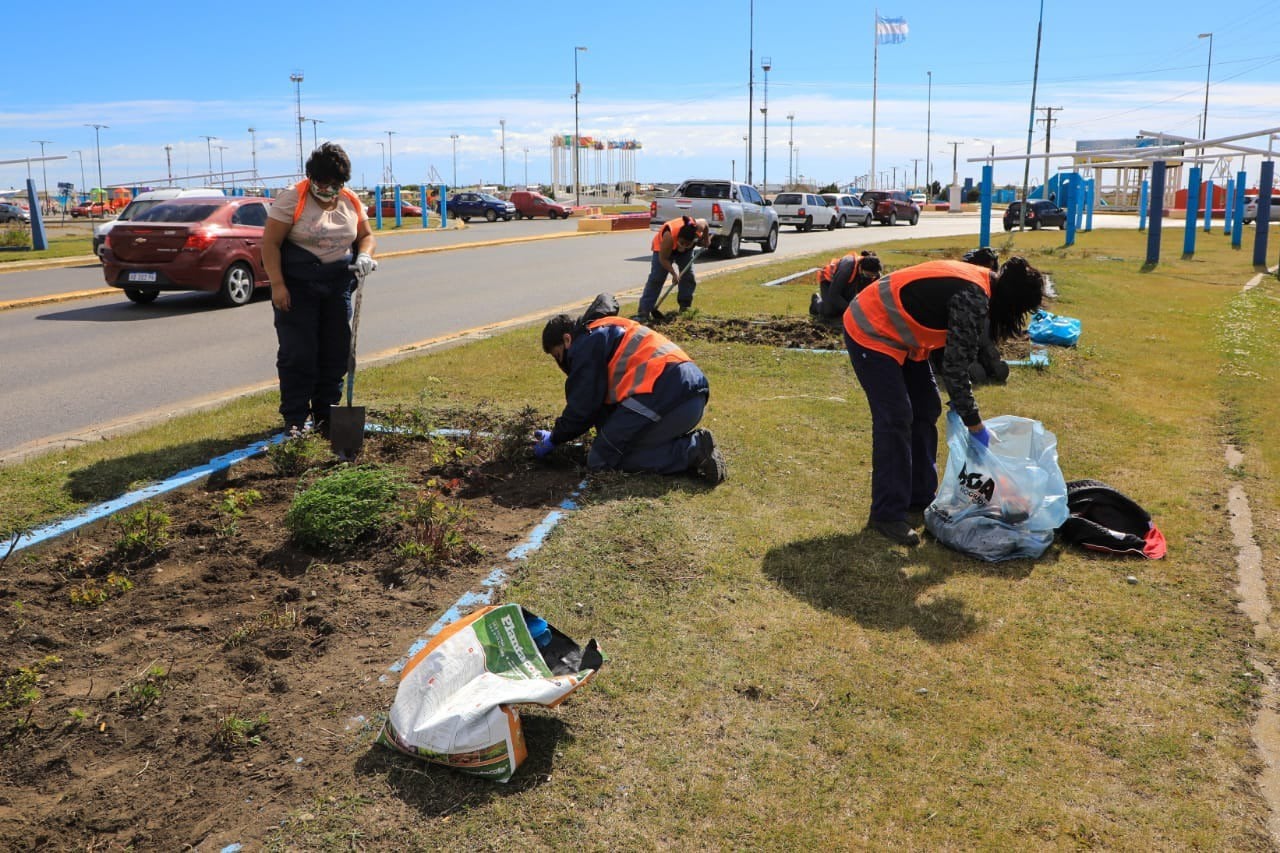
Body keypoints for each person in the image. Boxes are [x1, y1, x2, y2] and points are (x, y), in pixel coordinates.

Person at [843, 257, 1046, 546]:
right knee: (896, 417)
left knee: (927, 407)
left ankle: (920, 497)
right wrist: (974, 425)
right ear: (1011, 302)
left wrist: (964, 410)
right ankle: (887, 514)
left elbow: (946, 338)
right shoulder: (973, 298)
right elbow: (954, 368)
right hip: (870, 327)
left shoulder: (986, 283)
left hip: (905, 338)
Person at [260, 142, 377, 436]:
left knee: (336, 352)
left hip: (337, 286)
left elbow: (366, 235)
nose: (328, 189)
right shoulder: (292, 199)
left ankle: (327, 414)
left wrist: (364, 255)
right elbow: (270, 244)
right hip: (298, 287)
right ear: (311, 177)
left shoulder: (349, 200)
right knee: (299, 353)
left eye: (335, 183)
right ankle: (296, 418)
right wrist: (278, 285)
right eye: (323, 183)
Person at [534, 312, 726, 484]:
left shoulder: (585, 347)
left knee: (601, 459)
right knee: (617, 445)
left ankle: (693, 450)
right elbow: (603, 407)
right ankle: (692, 449)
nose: (561, 363)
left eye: (558, 355)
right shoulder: (603, 328)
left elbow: (583, 408)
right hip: (690, 393)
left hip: (665, 393)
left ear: (567, 340)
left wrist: (555, 438)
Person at [635, 215, 711, 322]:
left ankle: (685, 306)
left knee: (687, 276)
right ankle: (644, 312)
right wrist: (674, 274)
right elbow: (663, 259)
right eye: (681, 243)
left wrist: (706, 239)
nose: (682, 246)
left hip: (685, 254)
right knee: (657, 278)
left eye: (687, 244)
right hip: (662, 250)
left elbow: (706, 223)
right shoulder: (669, 236)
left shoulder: (697, 227)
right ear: (678, 237)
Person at [809, 251, 883, 321]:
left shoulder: (875, 275)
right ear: (860, 267)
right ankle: (816, 301)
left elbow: (873, 295)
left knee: (844, 308)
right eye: (867, 275)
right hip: (829, 281)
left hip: (849, 282)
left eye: (873, 276)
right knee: (829, 311)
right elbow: (834, 294)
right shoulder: (847, 269)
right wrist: (852, 310)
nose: (870, 278)